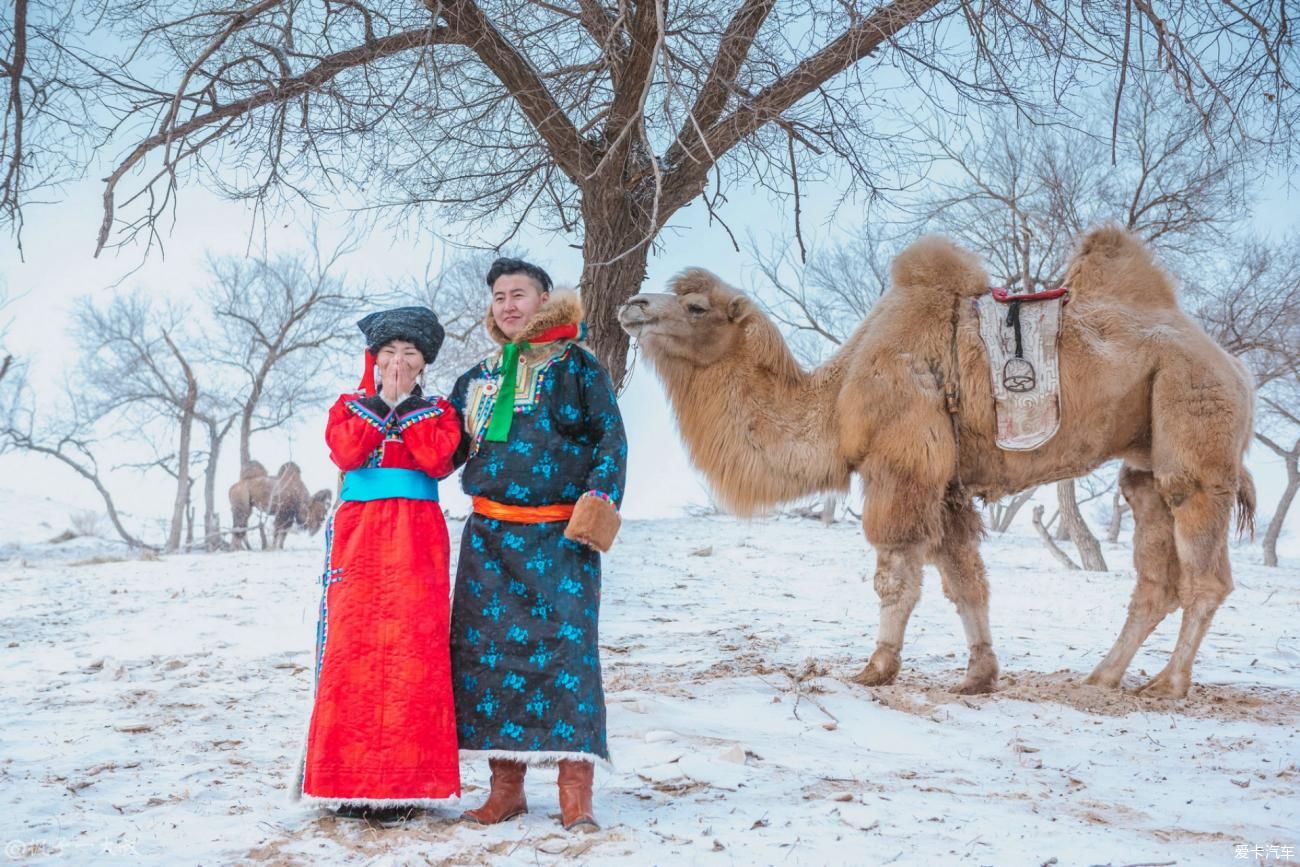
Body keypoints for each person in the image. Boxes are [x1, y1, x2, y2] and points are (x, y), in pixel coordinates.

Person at [448, 257, 627, 832]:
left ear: (544, 298)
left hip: (560, 542)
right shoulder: (476, 378)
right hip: (490, 543)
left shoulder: (578, 367)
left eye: (518, 293)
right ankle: (506, 790)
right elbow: (444, 446)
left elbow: (611, 440)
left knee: (567, 659)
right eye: (499, 295)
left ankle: (576, 794)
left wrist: (599, 504)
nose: (507, 304)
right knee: (491, 662)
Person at [296, 306, 463, 825]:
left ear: (424, 363)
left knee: (415, 650)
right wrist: (382, 404)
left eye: (408, 354)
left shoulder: (439, 411)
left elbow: (439, 460)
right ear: (371, 358)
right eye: (387, 353)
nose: (397, 362)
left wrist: (403, 410)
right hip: (360, 537)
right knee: (354, 651)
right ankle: (348, 784)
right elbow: (346, 453)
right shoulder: (348, 407)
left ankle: (407, 786)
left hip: (417, 538)